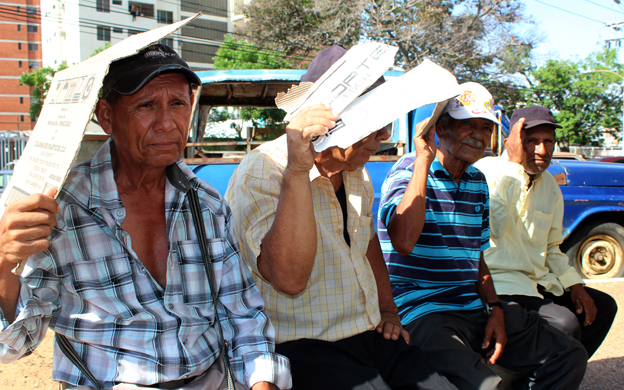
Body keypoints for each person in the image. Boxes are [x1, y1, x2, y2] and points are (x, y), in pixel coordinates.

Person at [0, 44, 290, 390]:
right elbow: (15, 343)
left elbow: (243, 315)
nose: (167, 124)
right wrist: (2, 262)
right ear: (106, 116)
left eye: (178, 104)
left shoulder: (207, 205)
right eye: (146, 105)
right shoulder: (61, 209)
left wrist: (262, 383)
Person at [225, 44, 455, 390]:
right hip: (304, 343)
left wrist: (388, 310)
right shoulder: (264, 170)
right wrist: (298, 172)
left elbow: (364, 240)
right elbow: (287, 278)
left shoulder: (354, 172)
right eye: (375, 122)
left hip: (367, 331)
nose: (383, 136)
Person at [378, 83, 588, 390]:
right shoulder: (409, 169)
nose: (478, 135)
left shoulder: (477, 180)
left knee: (568, 355)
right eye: (467, 125)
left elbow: (476, 256)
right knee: (487, 384)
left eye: (485, 127)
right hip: (422, 309)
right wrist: (423, 159)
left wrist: (496, 309)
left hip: (471, 305)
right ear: (441, 129)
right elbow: (403, 241)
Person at [474, 106, 617, 358]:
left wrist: (575, 285)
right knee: (565, 324)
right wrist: (514, 166)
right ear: (512, 143)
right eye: (531, 141)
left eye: (548, 141)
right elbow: (492, 230)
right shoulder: (485, 172)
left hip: (536, 284)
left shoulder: (549, 184)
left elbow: (552, 246)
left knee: (603, 307)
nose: (542, 150)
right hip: (499, 284)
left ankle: (561, 374)